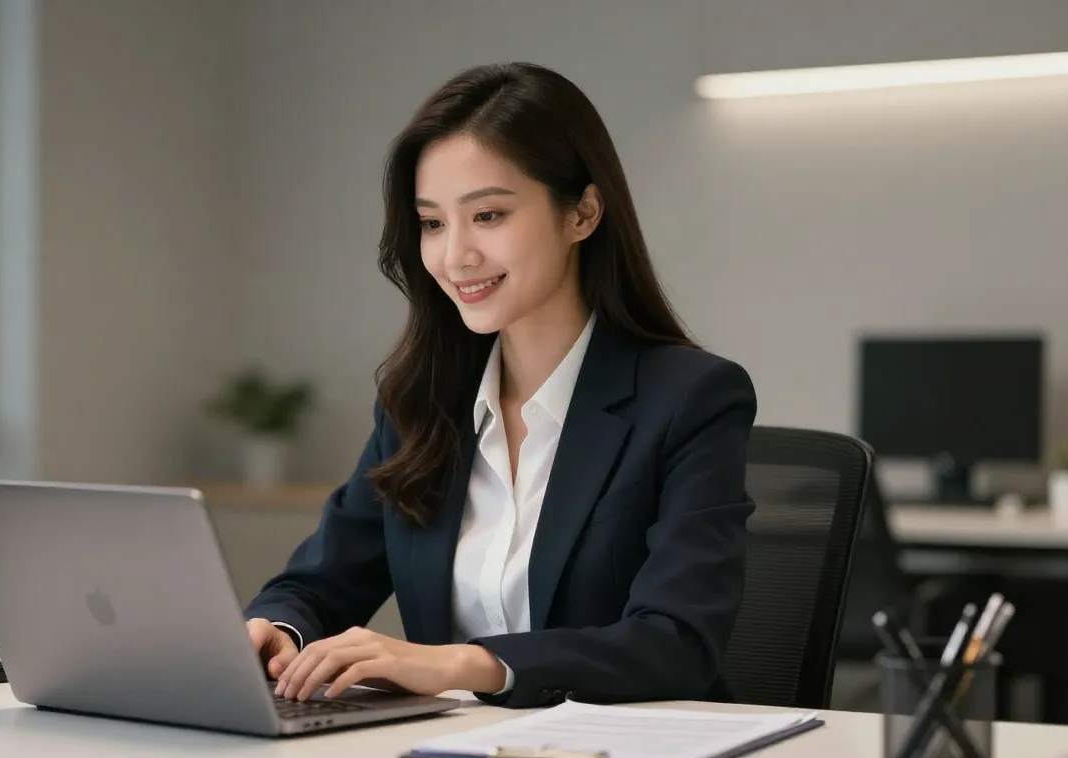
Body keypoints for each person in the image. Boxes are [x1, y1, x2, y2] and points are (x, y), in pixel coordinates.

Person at [244, 62, 758, 710]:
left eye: (487, 215)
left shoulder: (691, 399)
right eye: (432, 223)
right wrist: (277, 631)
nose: (456, 256)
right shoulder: (420, 404)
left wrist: (467, 664)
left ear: (583, 213)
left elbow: (676, 643)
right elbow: (317, 583)